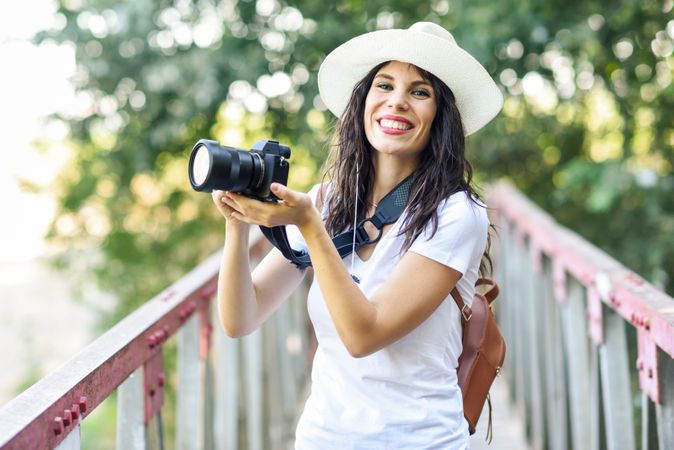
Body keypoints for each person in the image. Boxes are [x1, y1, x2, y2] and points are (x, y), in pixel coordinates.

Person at [211, 21, 502, 450]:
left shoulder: (457, 214)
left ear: (441, 116)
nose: (397, 102)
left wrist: (310, 227)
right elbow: (241, 318)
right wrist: (236, 223)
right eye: (384, 85)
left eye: (420, 92)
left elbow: (363, 335)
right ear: (364, 100)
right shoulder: (327, 201)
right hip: (322, 438)